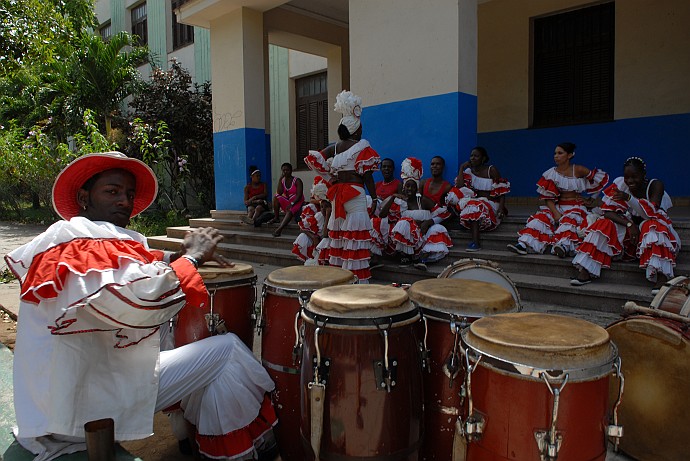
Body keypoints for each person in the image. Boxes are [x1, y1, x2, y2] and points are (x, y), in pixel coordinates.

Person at [5, 152, 277, 461]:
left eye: (129, 194)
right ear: (84, 197)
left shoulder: (74, 239)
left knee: (175, 342)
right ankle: (241, 450)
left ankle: (188, 436)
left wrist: (181, 257)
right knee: (226, 349)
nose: (124, 200)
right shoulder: (75, 239)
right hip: (85, 415)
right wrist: (192, 258)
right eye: (112, 191)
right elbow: (136, 298)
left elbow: (135, 266)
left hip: (63, 406)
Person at [570, 157, 680, 293]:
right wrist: (629, 224)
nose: (630, 181)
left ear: (643, 175)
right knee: (604, 223)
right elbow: (608, 211)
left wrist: (628, 198)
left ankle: (661, 276)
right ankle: (586, 270)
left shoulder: (655, 185)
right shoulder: (620, 184)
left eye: (634, 177)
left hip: (655, 233)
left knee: (651, 225)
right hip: (632, 237)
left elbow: (651, 213)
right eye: (627, 177)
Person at [305, 90, 380, 282]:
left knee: (339, 237)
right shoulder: (363, 147)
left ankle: (339, 279)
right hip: (355, 195)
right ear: (355, 130)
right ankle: (355, 281)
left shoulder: (336, 147)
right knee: (354, 239)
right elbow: (368, 177)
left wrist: (330, 178)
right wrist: (376, 198)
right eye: (360, 127)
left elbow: (315, 159)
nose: (362, 130)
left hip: (338, 195)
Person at [507, 142, 608, 257]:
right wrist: (555, 213)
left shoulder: (578, 169)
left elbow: (600, 181)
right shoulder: (551, 173)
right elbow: (547, 197)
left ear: (569, 155)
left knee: (569, 221)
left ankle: (563, 246)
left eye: (560, 153)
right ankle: (523, 244)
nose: (556, 156)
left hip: (575, 207)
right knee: (539, 219)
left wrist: (590, 199)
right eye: (555, 153)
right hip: (558, 206)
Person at [379, 157, 453, 270]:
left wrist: (429, 222)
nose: (410, 189)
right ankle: (406, 256)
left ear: (417, 188)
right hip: (407, 239)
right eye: (407, 186)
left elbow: (445, 214)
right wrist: (392, 198)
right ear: (403, 188)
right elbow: (382, 215)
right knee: (403, 223)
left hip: (423, 235)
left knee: (437, 228)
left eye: (413, 186)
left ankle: (422, 259)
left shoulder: (423, 200)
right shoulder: (400, 203)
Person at [446, 146, 510, 251]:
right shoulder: (468, 171)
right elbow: (460, 186)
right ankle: (466, 224)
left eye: (476, 156)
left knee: (473, 207)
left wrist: (500, 209)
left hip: (492, 204)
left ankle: (476, 243)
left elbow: (501, 191)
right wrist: (462, 169)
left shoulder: (491, 170)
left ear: (483, 158)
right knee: (455, 196)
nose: (472, 158)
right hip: (477, 202)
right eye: (471, 156)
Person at [292, 176, 330, 263]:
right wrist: (313, 237)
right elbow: (302, 227)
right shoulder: (312, 208)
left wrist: (327, 212)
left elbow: (325, 235)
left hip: (326, 238)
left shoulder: (328, 210)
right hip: (315, 238)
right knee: (303, 237)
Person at [269, 162, 304, 237]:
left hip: (297, 201)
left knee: (290, 210)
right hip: (288, 200)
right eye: (283, 170)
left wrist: (292, 204)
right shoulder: (282, 181)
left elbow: (299, 195)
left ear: (291, 171)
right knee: (276, 197)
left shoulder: (297, 180)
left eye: (287, 170)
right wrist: (280, 180)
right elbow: (279, 192)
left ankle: (279, 229)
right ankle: (276, 217)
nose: (285, 172)